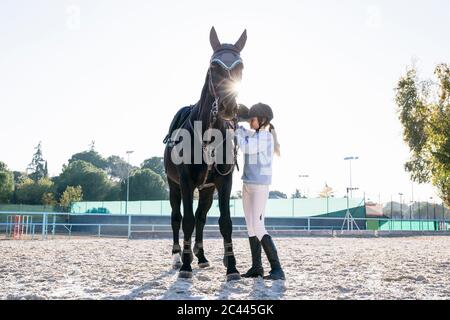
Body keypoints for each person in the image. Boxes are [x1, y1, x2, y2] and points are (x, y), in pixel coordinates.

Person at [235, 103, 285, 280]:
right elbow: (244, 133)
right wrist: (236, 124)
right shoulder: (256, 134)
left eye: (253, 119)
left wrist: (236, 132)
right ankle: (257, 267)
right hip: (248, 185)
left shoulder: (265, 137)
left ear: (262, 119)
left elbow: (247, 146)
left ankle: (277, 269)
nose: (250, 122)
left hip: (260, 187)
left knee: (258, 226)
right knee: (250, 226)